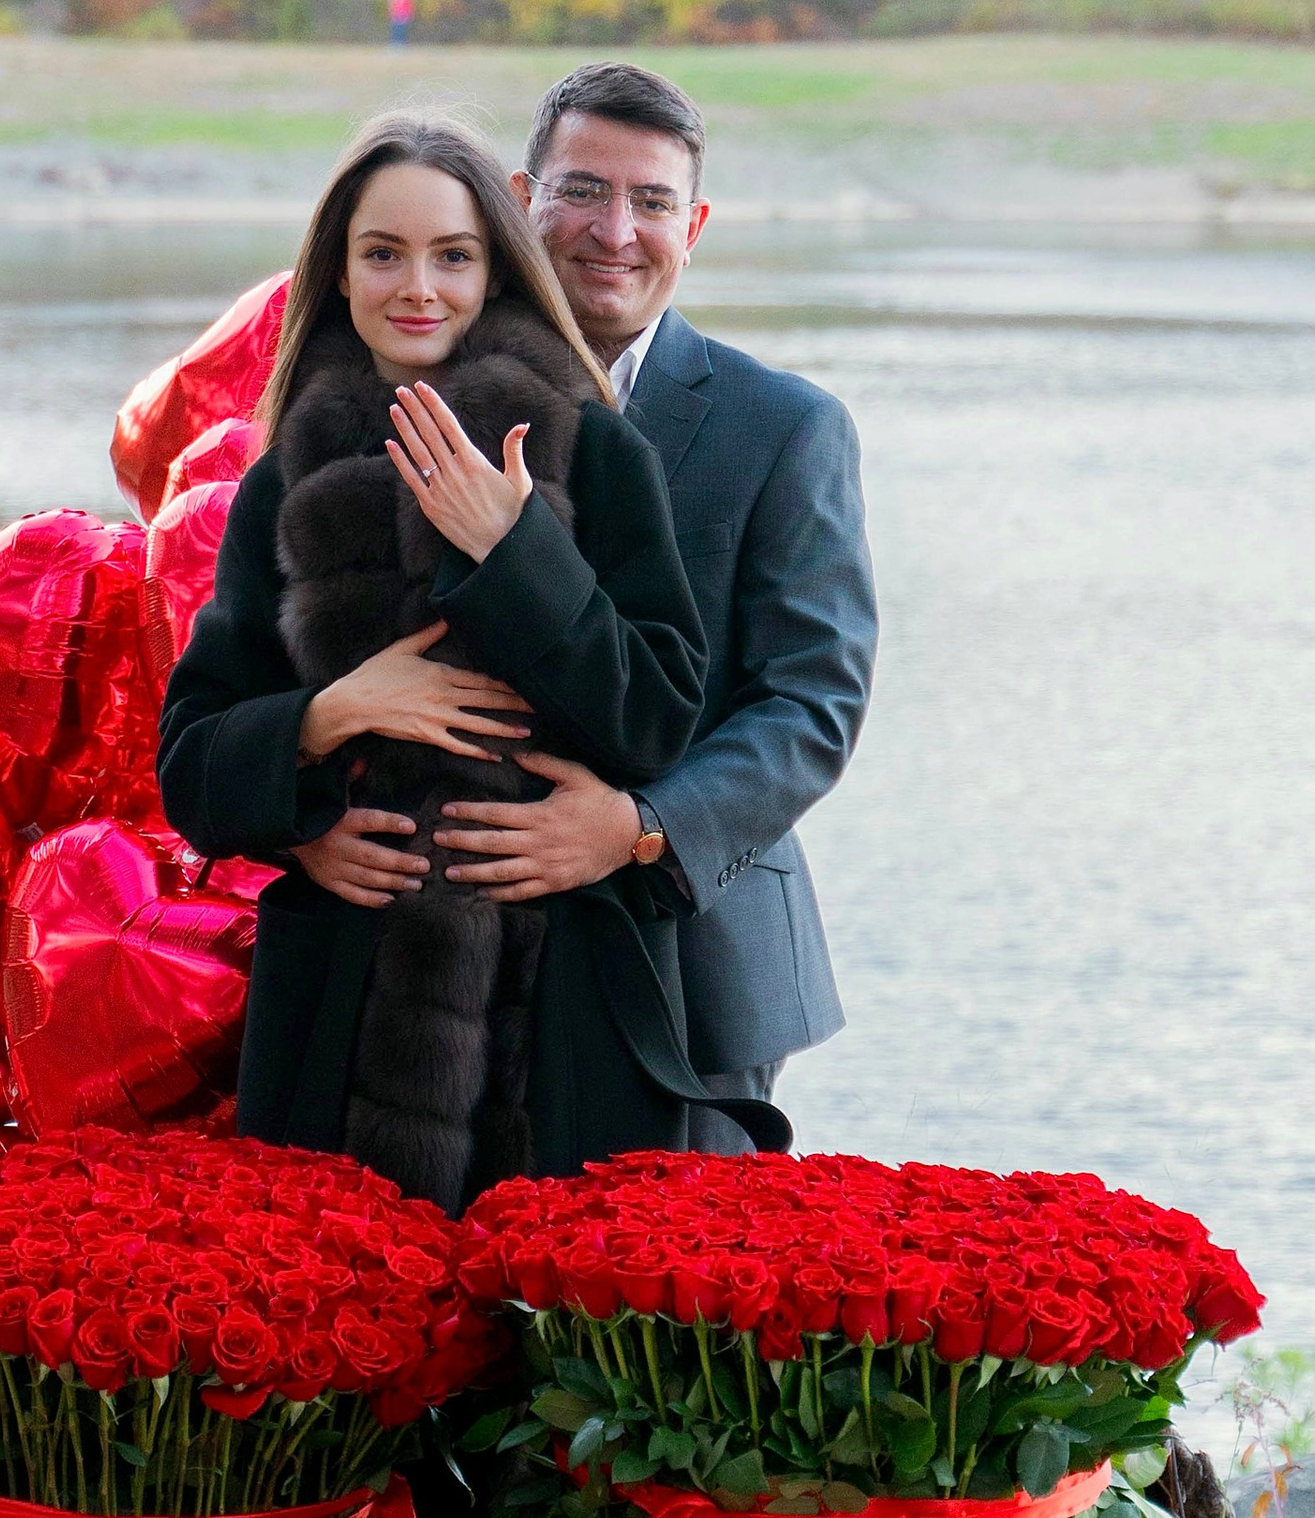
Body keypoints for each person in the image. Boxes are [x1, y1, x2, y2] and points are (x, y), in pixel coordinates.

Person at [157, 114, 772, 1214]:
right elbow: (192, 766)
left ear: (496, 267)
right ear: (336, 275)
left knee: (561, 1347)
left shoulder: (595, 448)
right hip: (341, 1009)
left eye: (452, 254)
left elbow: (659, 720)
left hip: (563, 999)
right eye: (381, 253)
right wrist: (323, 727)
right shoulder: (281, 478)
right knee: (342, 1348)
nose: (417, 287)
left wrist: (516, 550)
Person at [287, 61, 876, 1141]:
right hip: (438, 960)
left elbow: (811, 705)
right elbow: (296, 660)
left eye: (651, 201)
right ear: (521, 200)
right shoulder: (404, 386)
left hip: (698, 948)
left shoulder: (783, 427)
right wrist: (305, 819)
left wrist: (639, 828)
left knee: (660, 1299)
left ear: (691, 225)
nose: (616, 230)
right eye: (583, 191)